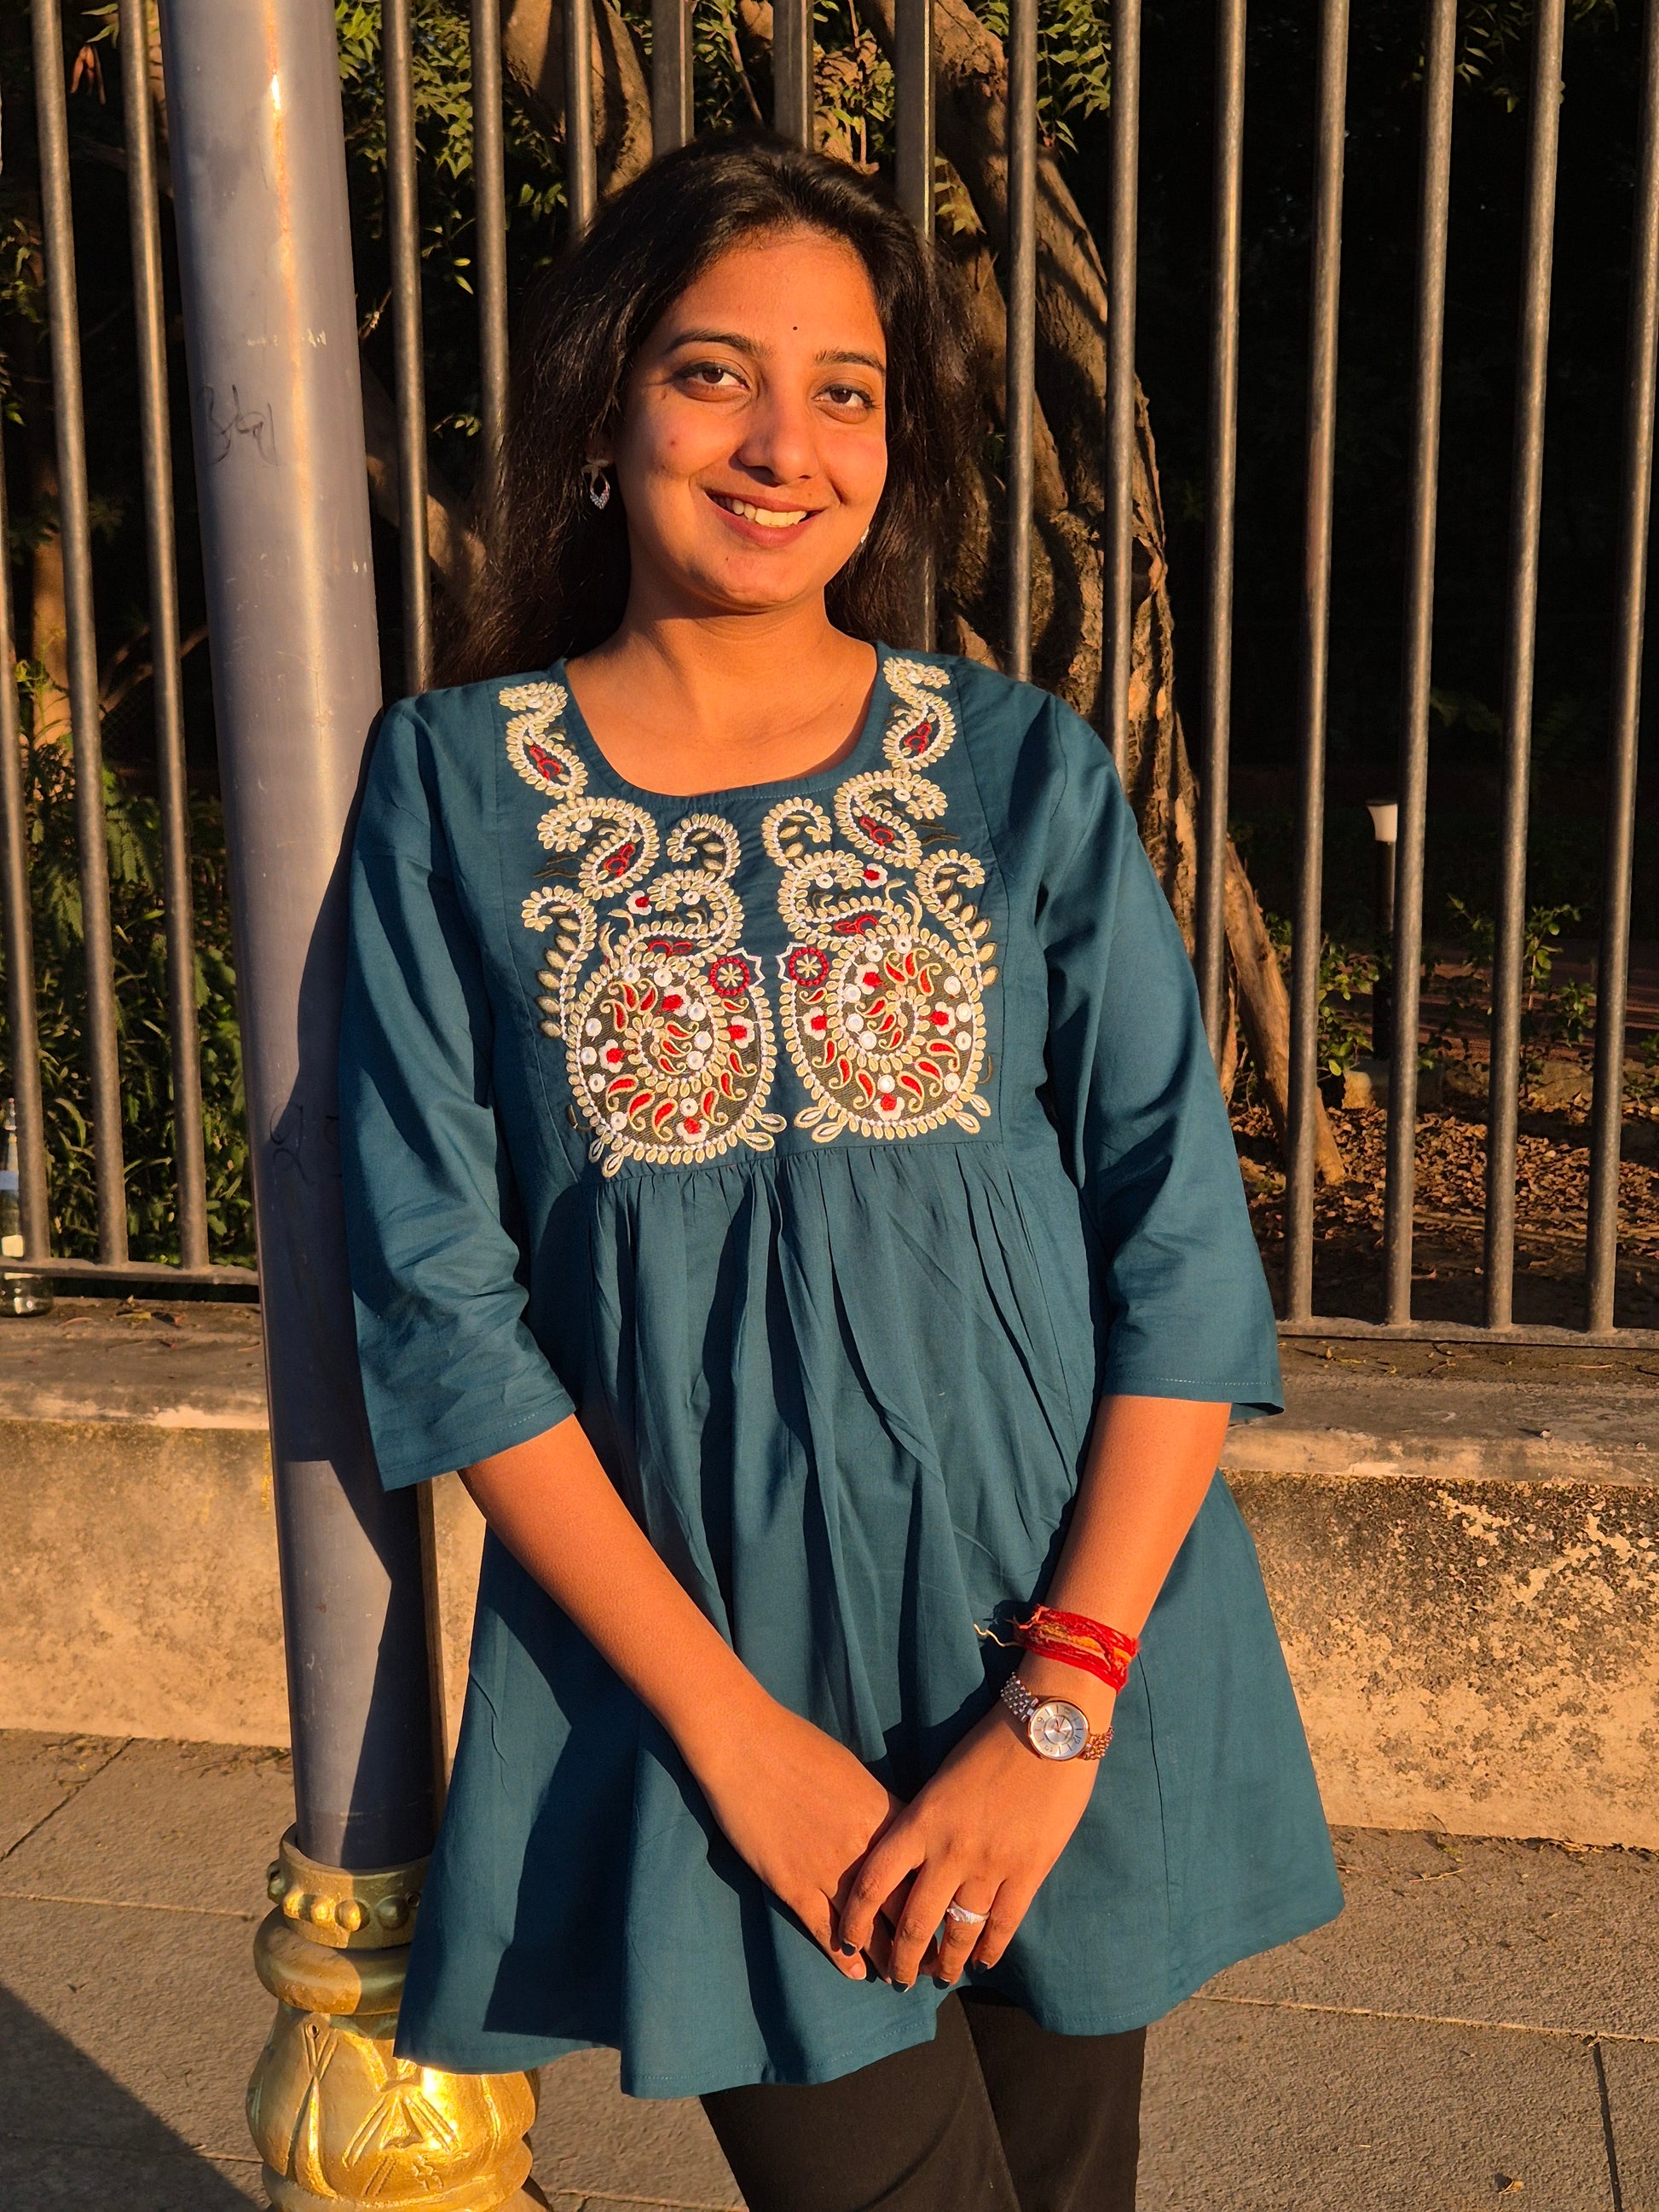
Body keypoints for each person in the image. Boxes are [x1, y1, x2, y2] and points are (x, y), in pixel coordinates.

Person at [338, 131, 1341, 2212]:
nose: (783, 444)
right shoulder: (453, 791)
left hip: (1053, 1637)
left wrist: (1058, 1704)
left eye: (847, 389)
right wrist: (735, 1740)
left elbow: (1175, 1244)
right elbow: (440, 1305)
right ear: (602, 414)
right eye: (714, 373)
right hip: (706, 1689)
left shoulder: (1019, 770)